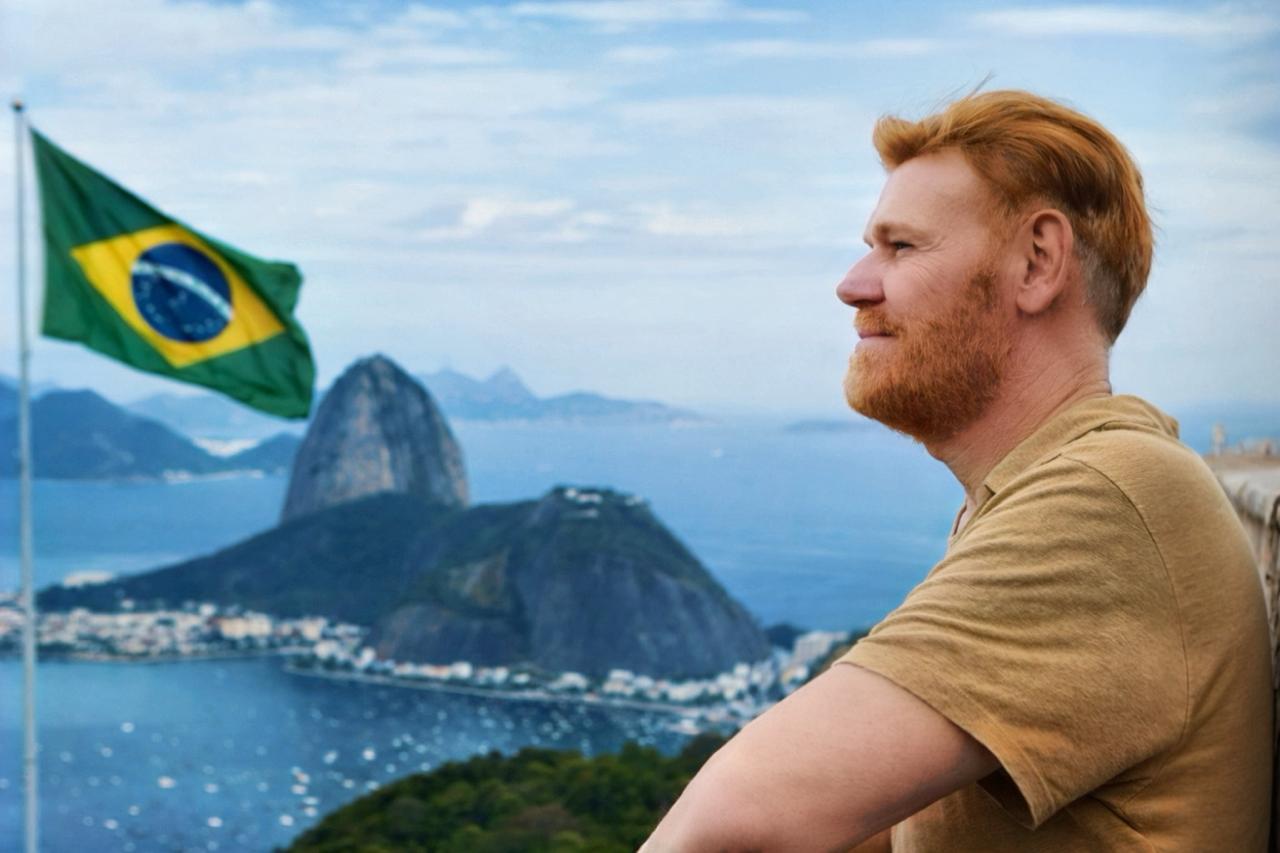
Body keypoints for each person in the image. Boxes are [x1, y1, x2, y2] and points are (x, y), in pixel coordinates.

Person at [641, 89, 1273, 851]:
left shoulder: (1110, 498)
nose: (853, 283)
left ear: (1037, 263)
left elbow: (731, 824)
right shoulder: (1040, 489)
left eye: (900, 247)